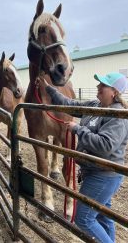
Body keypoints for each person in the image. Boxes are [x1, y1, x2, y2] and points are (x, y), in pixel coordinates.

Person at [36, 72, 128, 243]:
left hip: (104, 174)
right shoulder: (95, 105)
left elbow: (105, 146)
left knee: (83, 218)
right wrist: (48, 89)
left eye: (103, 85)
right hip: (94, 171)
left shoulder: (118, 115)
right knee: (103, 215)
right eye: (99, 84)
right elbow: (69, 104)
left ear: (114, 92)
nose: (98, 87)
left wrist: (78, 129)